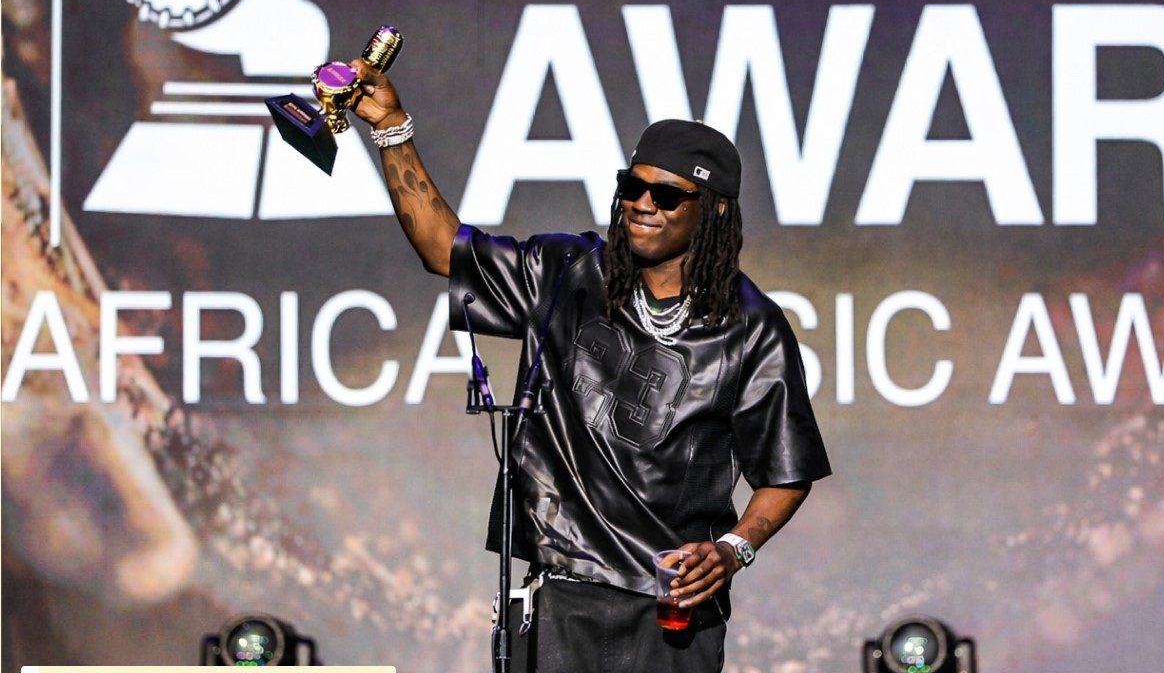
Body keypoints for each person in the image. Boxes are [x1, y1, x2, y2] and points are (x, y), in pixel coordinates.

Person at [350, 58, 830, 672]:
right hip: (562, 593)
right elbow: (444, 249)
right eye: (632, 187)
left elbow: (786, 471)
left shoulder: (750, 326)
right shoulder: (565, 273)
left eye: (666, 195)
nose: (642, 204)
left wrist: (734, 548)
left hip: (672, 605)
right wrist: (390, 127)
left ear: (711, 209)